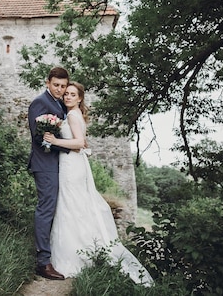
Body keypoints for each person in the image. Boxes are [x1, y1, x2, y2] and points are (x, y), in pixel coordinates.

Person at [43, 82, 154, 286]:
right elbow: (83, 142)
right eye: (65, 94)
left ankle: (76, 256)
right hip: (72, 164)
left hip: (72, 166)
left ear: (79, 98)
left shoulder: (74, 116)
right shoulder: (73, 115)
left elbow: (78, 143)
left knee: (70, 206)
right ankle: (83, 249)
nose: (67, 97)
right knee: (74, 206)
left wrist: (55, 140)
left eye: (72, 94)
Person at [27, 66, 71, 280]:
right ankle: (43, 262)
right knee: (45, 209)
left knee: (58, 208)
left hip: (58, 164)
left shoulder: (60, 104)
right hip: (44, 164)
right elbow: (38, 138)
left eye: (63, 86)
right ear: (47, 83)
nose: (60, 89)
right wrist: (68, 147)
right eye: (56, 85)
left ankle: (57, 252)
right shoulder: (40, 102)